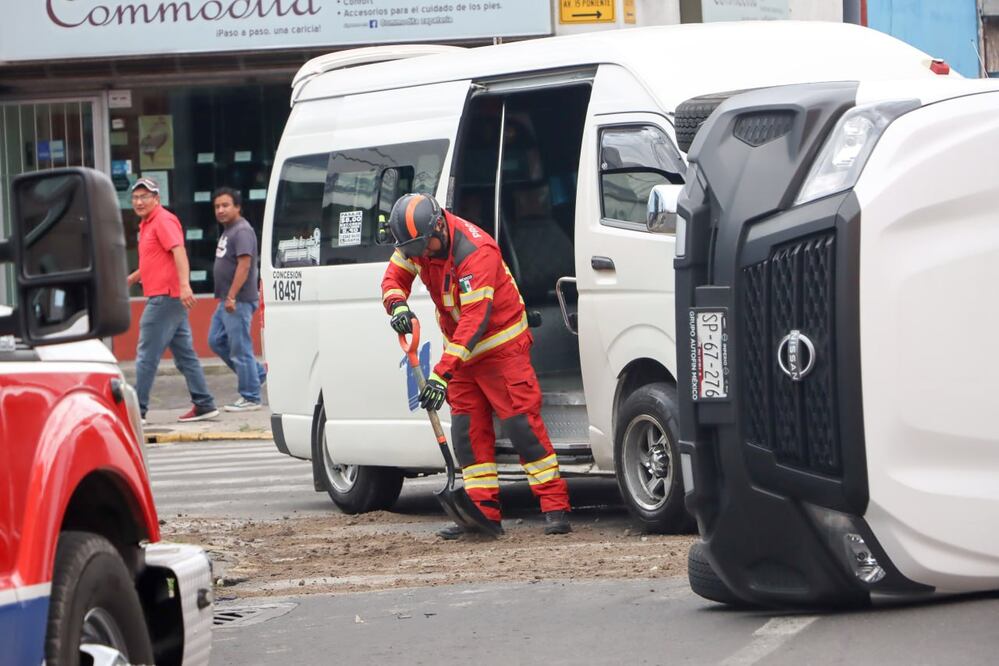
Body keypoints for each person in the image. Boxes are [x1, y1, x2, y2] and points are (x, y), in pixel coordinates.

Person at [381, 192, 571, 539]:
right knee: (468, 435)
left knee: (522, 428)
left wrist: (441, 373)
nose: (419, 256)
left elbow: (474, 320)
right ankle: (482, 515)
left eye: (422, 248)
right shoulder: (418, 241)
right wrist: (397, 307)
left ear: (438, 227)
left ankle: (555, 507)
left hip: (500, 349)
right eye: (413, 251)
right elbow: (394, 278)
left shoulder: (476, 252)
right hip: (461, 355)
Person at [126, 177, 219, 423]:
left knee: (146, 355)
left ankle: (138, 411)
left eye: (145, 197)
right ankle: (204, 403)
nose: (139, 201)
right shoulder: (146, 224)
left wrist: (185, 285)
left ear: (157, 199)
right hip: (165, 296)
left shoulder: (163, 220)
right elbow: (154, 260)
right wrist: (132, 278)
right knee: (185, 355)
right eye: (135, 197)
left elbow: (179, 251)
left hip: (165, 298)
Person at [208, 187, 266, 411]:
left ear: (238, 207)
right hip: (226, 299)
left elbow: (244, 265)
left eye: (225, 205)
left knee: (240, 349)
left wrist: (232, 296)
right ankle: (256, 374)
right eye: (217, 207)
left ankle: (251, 397)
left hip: (238, 300)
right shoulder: (228, 230)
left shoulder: (241, 230)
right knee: (216, 340)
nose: (220, 210)